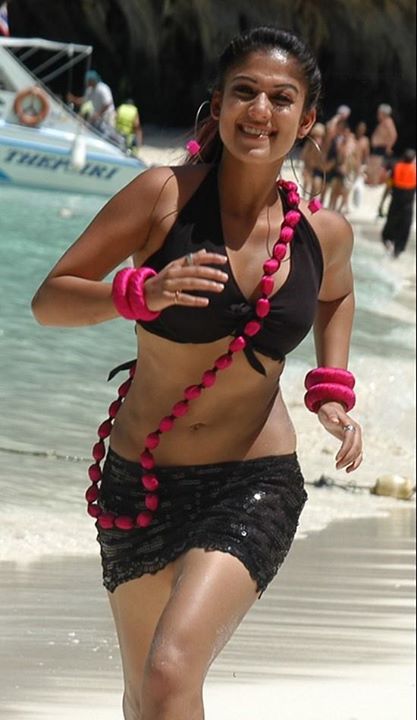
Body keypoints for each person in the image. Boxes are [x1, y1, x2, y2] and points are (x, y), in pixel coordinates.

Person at [31, 27, 363, 720]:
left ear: (306, 120)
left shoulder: (321, 232)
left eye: (281, 99)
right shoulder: (162, 196)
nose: (260, 110)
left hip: (252, 482)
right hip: (140, 485)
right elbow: (51, 300)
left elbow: (335, 293)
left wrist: (330, 388)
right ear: (217, 104)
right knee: (145, 697)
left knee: (168, 673)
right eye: (245, 92)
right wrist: (136, 295)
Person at [382, 148, 416, 258]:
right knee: (405, 225)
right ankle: (398, 250)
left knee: (391, 222)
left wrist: (382, 202)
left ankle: (388, 241)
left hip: (395, 201)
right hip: (408, 203)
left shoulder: (396, 167)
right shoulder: (414, 170)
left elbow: (388, 186)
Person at [68, 69, 116, 136]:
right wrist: (74, 99)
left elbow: (108, 103)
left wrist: (98, 114)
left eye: (88, 81)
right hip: (98, 117)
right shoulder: (90, 90)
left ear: (92, 80)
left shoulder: (103, 88)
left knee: (106, 135)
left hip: (107, 117)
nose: (86, 82)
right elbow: (84, 100)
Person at [366, 103, 398, 186]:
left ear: (383, 113)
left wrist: (389, 147)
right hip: (378, 147)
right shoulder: (383, 122)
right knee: (371, 165)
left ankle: (374, 184)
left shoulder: (388, 122)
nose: (377, 115)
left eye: (379, 113)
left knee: (375, 167)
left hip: (381, 148)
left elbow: (393, 135)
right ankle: (371, 182)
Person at [299, 121, 326, 198]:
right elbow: (303, 156)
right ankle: (304, 198)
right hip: (308, 167)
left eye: (320, 136)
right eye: (316, 136)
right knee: (306, 184)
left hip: (316, 168)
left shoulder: (322, 145)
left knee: (315, 187)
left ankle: (310, 200)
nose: (318, 138)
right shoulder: (309, 144)